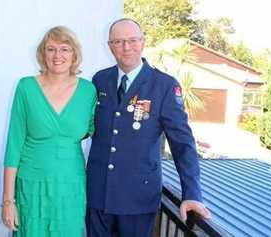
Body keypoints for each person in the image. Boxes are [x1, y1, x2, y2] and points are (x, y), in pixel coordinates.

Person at [86, 18, 211, 237]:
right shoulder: (100, 80)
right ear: (110, 46)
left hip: (137, 199)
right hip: (98, 195)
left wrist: (192, 194)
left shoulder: (164, 85)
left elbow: (182, 144)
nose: (126, 47)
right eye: (119, 41)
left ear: (143, 42)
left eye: (133, 40)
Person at [1, 26, 96, 237]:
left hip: (70, 184)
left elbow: (96, 131)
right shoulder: (26, 87)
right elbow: (13, 146)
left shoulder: (88, 91)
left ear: (74, 54)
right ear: (43, 54)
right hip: (31, 184)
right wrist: (8, 200)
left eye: (65, 49)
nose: (57, 55)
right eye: (51, 49)